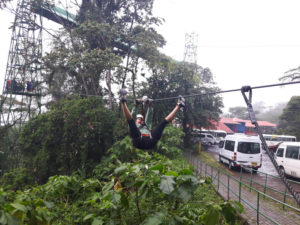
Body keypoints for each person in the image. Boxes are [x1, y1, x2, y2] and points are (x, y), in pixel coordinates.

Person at [120, 90, 185, 150]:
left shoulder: (146, 125)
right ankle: (123, 101)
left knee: (163, 123)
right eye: (139, 119)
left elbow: (149, 116)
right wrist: (136, 105)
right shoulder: (134, 126)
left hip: (148, 139)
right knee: (131, 122)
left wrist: (150, 106)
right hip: (142, 141)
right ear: (136, 120)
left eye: (141, 119)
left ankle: (179, 105)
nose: (140, 120)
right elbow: (131, 116)